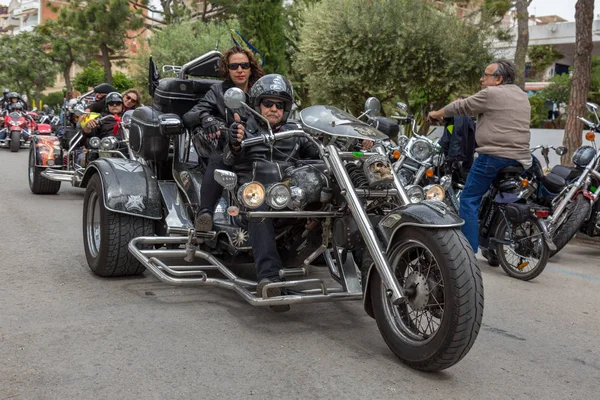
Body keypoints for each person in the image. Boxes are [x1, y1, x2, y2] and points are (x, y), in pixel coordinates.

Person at [223, 74, 319, 312]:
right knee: (259, 202)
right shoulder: (244, 128)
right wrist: (235, 142)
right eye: (268, 103)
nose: (274, 109)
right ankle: (270, 279)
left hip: (289, 194)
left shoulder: (297, 133)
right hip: (252, 196)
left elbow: (318, 153)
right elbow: (226, 158)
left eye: (280, 105)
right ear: (258, 105)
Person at [427, 59, 531, 264]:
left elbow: (462, 106)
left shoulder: (491, 94)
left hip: (493, 156)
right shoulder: (522, 95)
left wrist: (436, 114)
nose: (482, 79)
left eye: (486, 75)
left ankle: (467, 252)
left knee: (469, 198)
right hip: (521, 159)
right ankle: (491, 243)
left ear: (499, 79)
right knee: (491, 195)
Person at [183, 45, 264, 232]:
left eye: (244, 65)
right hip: (231, 148)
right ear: (227, 69)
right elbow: (189, 116)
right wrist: (206, 118)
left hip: (260, 144)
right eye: (234, 66)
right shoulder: (218, 91)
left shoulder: (260, 89)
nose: (240, 70)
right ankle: (205, 214)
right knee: (219, 158)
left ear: (251, 67)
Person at [439, 96, 477, 179]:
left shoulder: (460, 118)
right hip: (461, 162)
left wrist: (453, 156)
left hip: (456, 160)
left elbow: (456, 142)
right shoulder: (453, 121)